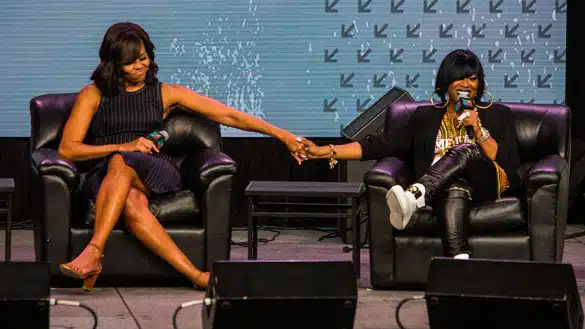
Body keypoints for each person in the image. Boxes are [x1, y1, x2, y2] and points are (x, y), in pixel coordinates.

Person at [57, 22, 311, 291]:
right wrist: (125, 146)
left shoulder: (166, 93)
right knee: (130, 197)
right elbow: (68, 149)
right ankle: (195, 275)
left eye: (144, 58)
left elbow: (229, 115)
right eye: (130, 63)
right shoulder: (92, 95)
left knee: (122, 161)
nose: (140, 66)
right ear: (113, 64)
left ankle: (95, 250)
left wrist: (282, 135)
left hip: (154, 169)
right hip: (105, 173)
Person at [307, 49, 521, 260]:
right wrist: (326, 151)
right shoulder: (425, 117)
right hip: (443, 187)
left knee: (465, 150)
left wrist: (477, 128)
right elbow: (381, 145)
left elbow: (503, 160)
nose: (466, 84)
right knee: (455, 188)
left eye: (472, 79)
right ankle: (459, 262)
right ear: (446, 82)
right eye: (458, 79)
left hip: (488, 182)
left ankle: (414, 196)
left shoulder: (497, 114)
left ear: (480, 84)